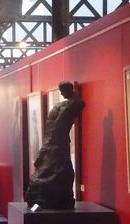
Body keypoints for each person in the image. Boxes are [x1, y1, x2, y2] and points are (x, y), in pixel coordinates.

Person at [25, 80, 85, 210]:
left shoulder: (76, 103)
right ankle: (41, 199)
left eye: (63, 91)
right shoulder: (63, 104)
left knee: (58, 170)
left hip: (58, 143)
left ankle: (52, 199)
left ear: (69, 89)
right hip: (53, 142)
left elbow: (58, 126)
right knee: (48, 170)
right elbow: (54, 126)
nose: (62, 94)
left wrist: (46, 148)